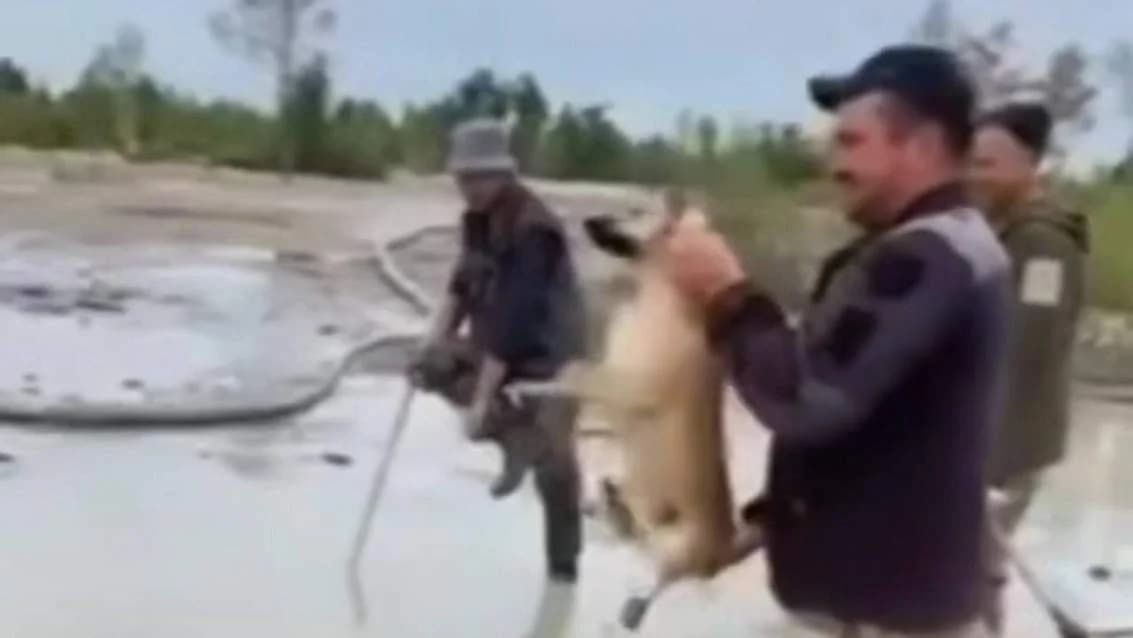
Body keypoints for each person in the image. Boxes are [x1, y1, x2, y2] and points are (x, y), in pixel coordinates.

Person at [660, 45, 1010, 637]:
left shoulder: (930, 256)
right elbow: (877, 428)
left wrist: (726, 294)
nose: (833, 163)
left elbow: (808, 396)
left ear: (921, 147)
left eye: (851, 142)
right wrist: (766, 522)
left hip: (884, 621)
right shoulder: (924, 247)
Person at [409, 118, 587, 583]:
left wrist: (482, 401)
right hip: (498, 347)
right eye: (461, 179)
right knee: (430, 367)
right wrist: (432, 344)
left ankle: (562, 572)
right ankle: (515, 436)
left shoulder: (534, 230)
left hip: (552, 359)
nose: (466, 189)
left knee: (556, 471)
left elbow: (515, 321)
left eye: (475, 178)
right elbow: (460, 288)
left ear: (502, 173)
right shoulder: (477, 219)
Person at [969, 102, 1090, 634]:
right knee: (975, 569)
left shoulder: (1042, 244)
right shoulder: (1007, 233)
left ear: (1030, 164)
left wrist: (983, 454)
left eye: (988, 164)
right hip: (991, 435)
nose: (975, 175)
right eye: (971, 162)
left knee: (969, 570)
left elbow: (1027, 350)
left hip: (1008, 443)